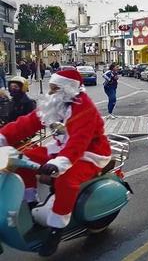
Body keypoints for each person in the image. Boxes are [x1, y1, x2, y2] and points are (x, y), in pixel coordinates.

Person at [0, 69, 112, 256]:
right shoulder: (55, 103)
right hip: (61, 148)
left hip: (89, 153)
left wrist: (60, 164)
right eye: (51, 88)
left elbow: (78, 142)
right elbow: (27, 122)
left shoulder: (84, 108)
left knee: (66, 180)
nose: (50, 92)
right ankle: (30, 203)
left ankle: (55, 230)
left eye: (54, 88)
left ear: (67, 89)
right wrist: (3, 136)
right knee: (23, 160)